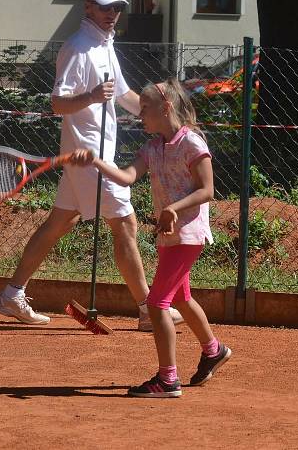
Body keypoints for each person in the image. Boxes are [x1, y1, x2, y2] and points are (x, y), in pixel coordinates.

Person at [0, 0, 183, 331]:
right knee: (125, 223)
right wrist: (92, 96)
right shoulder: (78, 48)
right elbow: (57, 103)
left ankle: (11, 294)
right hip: (89, 159)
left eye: (118, 7)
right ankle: (147, 309)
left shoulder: (105, 45)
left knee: (58, 223)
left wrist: (161, 114)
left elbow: (124, 95)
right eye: (106, 6)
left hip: (93, 158)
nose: (113, 13)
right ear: (89, 7)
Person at [79, 78, 231, 397]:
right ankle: (213, 349)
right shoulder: (151, 148)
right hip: (170, 235)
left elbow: (208, 190)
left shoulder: (192, 143)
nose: (140, 115)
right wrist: (94, 161)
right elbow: (127, 177)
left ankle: (167, 379)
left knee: (157, 303)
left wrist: (173, 208)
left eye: (145, 109)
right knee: (179, 298)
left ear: (166, 108)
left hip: (188, 233)